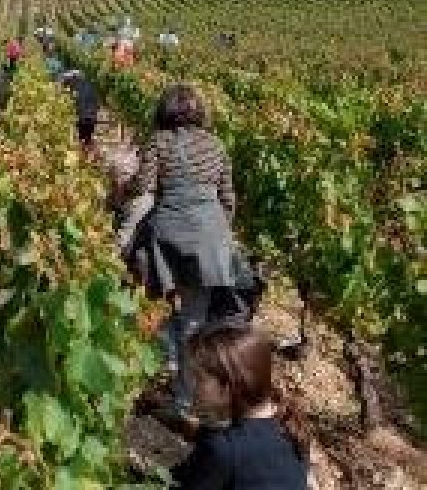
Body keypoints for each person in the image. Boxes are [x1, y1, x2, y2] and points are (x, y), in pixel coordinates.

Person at [123, 83, 236, 419]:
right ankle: (188, 390)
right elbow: (228, 198)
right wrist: (216, 231)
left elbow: (142, 188)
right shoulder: (216, 144)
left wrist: (120, 188)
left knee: (156, 303)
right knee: (195, 316)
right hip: (210, 234)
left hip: (170, 236)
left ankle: (181, 393)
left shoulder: (159, 142)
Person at [171, 325, 310, 489]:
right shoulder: (286, 423)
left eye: (200, 379)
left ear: (228, 389)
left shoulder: (225, 449)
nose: (193, 385)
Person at [62, 70, 99, 158]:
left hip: (82, 118)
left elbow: (75, 104)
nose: (68, 83)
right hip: (92, 117)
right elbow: (96, 103)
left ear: (75, 79)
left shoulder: (75, 90)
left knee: (81, 140)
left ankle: (84, 159)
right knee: (88, 139)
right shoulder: (90, 86)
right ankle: (90, 158)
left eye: (69, 80)